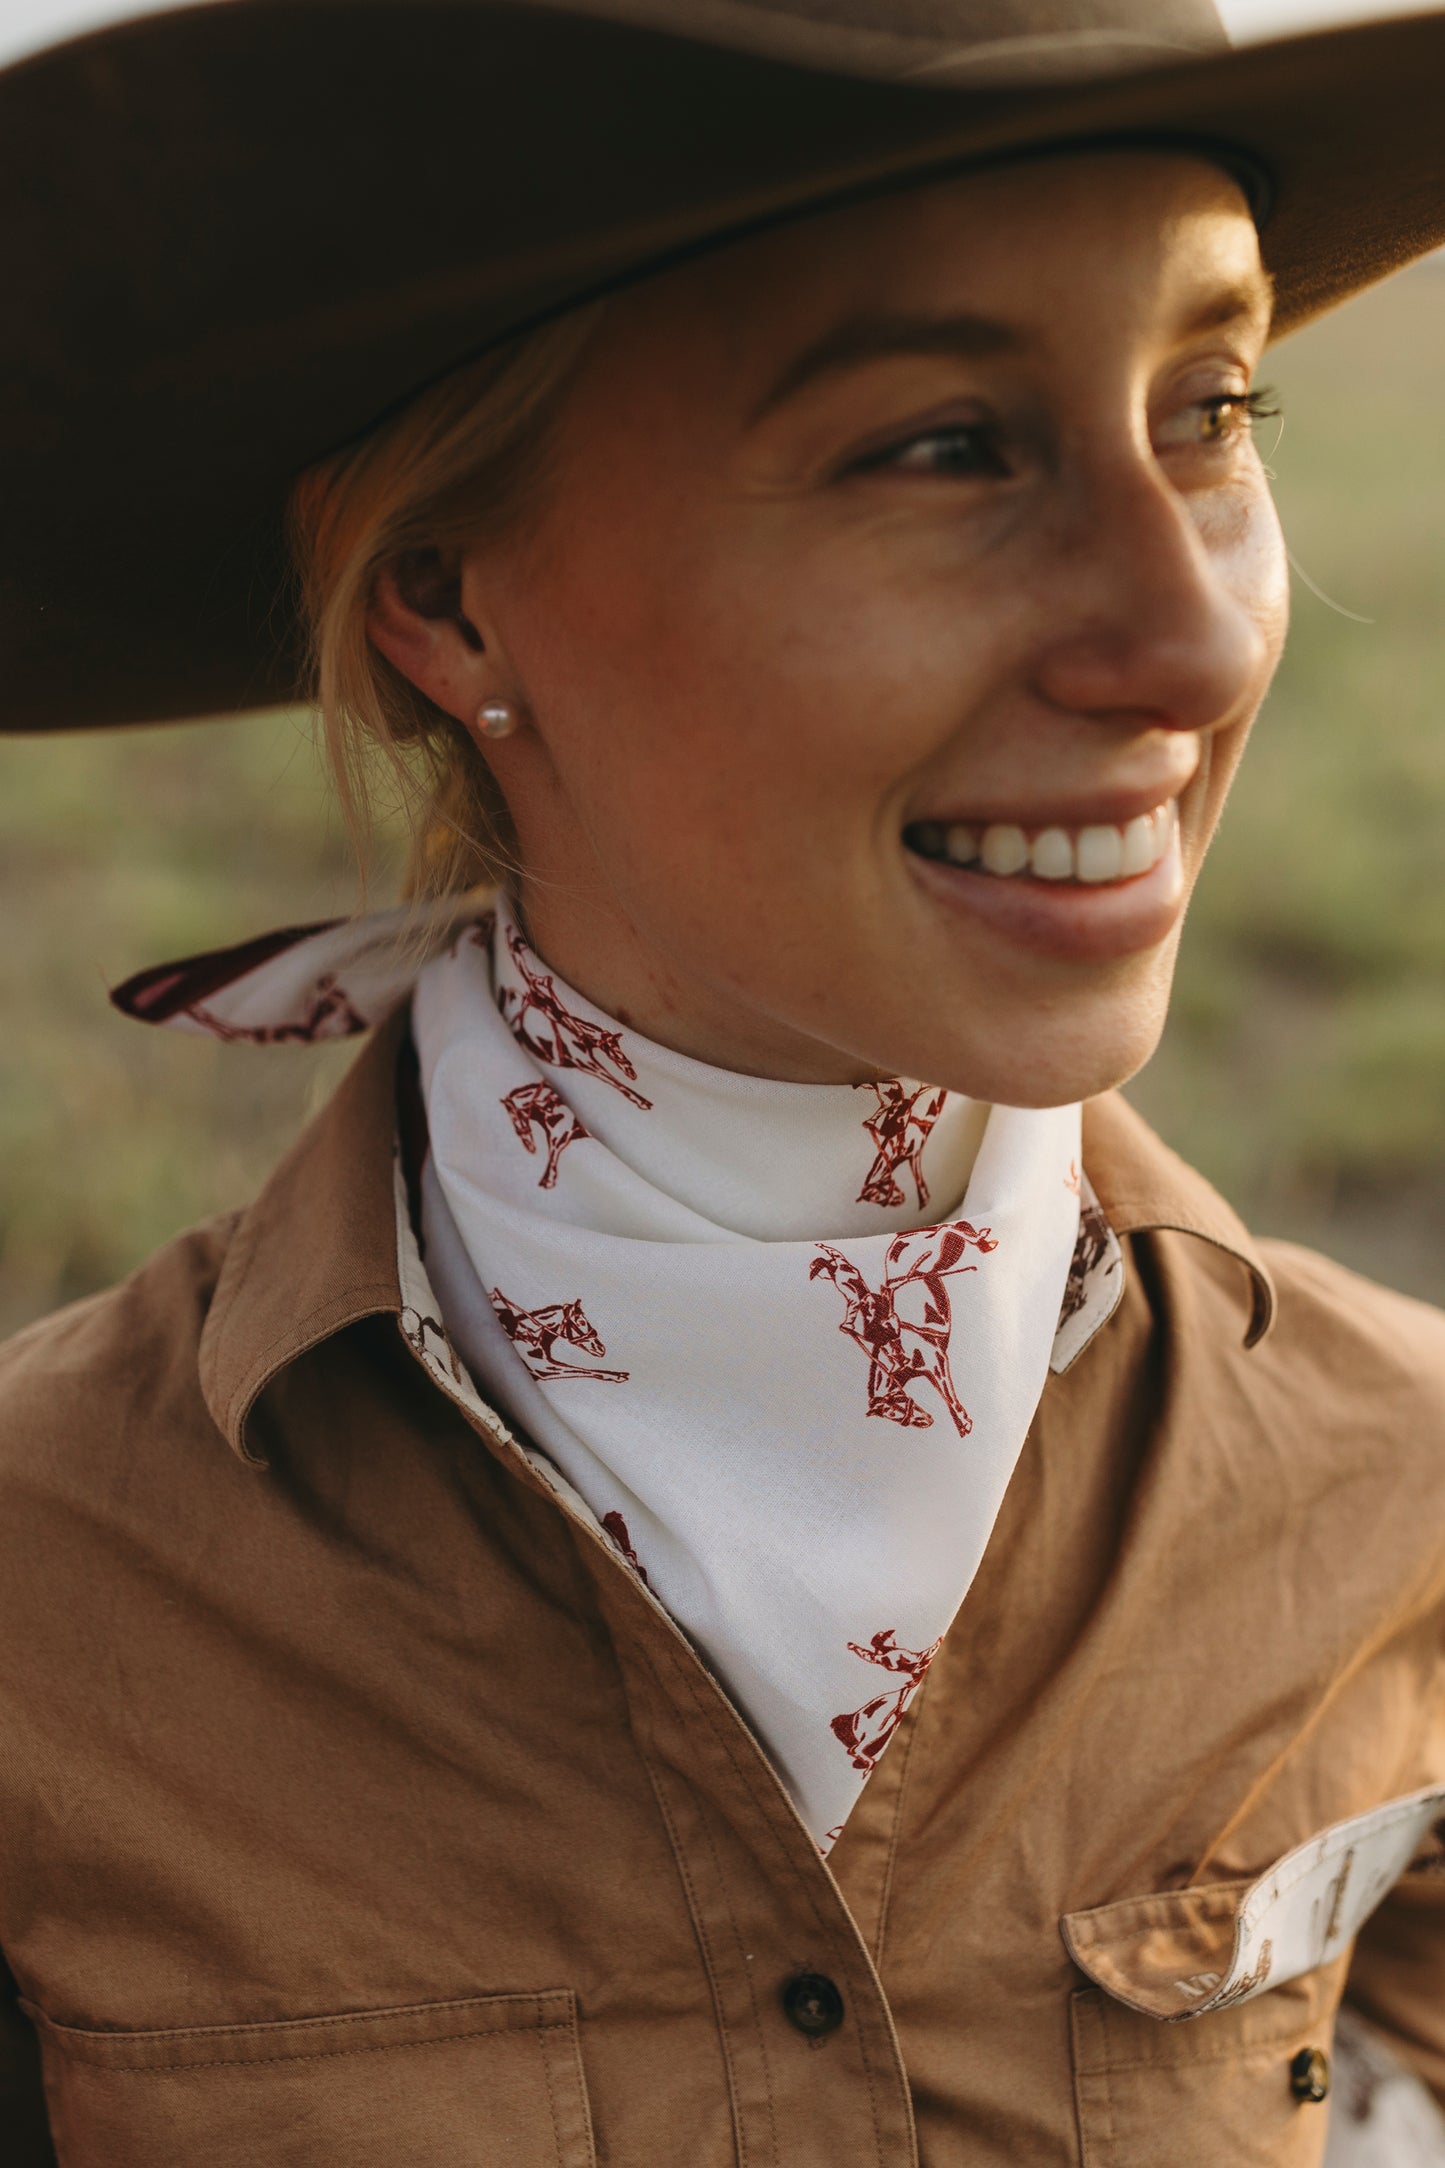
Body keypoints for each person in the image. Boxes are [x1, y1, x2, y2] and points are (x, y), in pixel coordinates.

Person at [2, 1, 1445, 2161]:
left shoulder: (1401, 1499)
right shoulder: (52, 1595)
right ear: (446, 600)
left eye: (1209, 408)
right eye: (946, 443)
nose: (1203, 636)